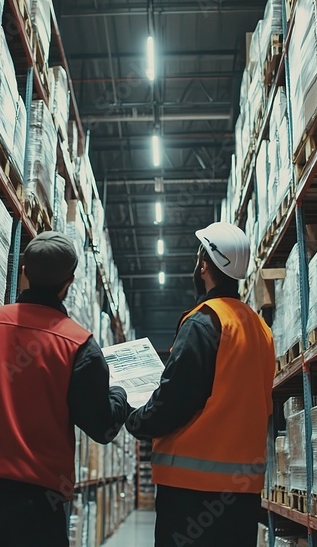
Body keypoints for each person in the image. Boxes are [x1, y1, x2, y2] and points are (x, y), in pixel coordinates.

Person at [0, 231, 131, 547]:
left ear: (23, 272)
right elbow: (103, 427)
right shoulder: (78, 344)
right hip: (41, 507)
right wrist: (120, 394)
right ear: (68, 284)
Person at [126, 222, 277, 547]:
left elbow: (175, 399)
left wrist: (135, 418)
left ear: (205, 265)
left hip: (192, 494)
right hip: (243, 494)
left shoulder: (204, 321)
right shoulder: (260, 330)